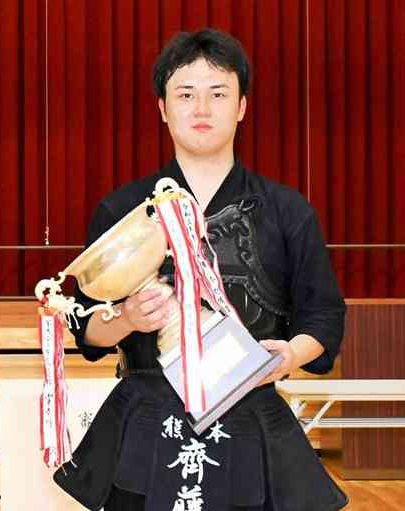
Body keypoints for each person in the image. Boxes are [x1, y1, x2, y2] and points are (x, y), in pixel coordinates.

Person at [53, 29, 348, 511]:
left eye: (218, 94)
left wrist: (287, 357)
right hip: (148, 416)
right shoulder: (124, 209)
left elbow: (323, 317)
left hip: (252, 416)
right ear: (163, 109)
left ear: (242, 107)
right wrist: (127, 318)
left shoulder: (286, 210)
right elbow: (86, 327)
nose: (202, 109)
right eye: (185, 94)